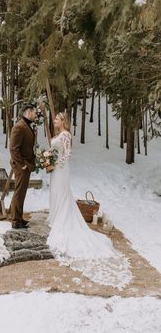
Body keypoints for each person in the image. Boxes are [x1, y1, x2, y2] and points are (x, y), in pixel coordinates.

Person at [47, 112, 132, 288]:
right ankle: (55, 216)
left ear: (63, 121)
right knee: (55, 193)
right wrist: (49, 158)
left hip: (61, 170)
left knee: (62, 194)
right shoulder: (57, 135)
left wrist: (56, 163)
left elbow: (67, 153)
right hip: (55, 170)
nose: (54, 121)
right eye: (54, 119)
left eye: (56, 119)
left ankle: (62, 219)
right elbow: (56, 151)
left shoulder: (66, 135)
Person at [9, 104, 37, 229]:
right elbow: (13, 149)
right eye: (35, 113)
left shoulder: (26, 126)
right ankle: (15, 221)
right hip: (22, 166)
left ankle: (19, 218)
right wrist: (22, 165)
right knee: (19, 192)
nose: (36, 115)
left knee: (22, 193)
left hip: (27, 164)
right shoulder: (19, 127)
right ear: (29, 112)